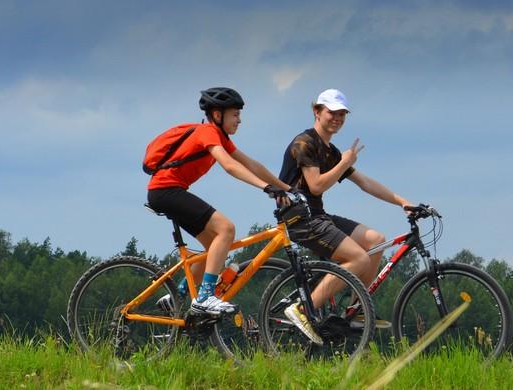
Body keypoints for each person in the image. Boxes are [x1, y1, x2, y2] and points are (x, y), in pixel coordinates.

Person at [278, 88, 413, 341]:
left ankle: (356, 309)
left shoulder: (330, 151)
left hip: (317, 215)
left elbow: (365, 183)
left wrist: (402, 202)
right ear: (317, 111)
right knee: (359, 259)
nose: (338, 118)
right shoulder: (304, 144)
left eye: (342, 114)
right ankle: (303, 310)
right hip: (299, 219)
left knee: (376, 240)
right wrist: (344, 163)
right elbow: (316, 185)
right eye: (332, 112)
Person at [147, 87, 290, 316]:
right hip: (166, 190)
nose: (239, 120)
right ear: (217, 115)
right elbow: (230, 166)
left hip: (167, 191)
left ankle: (177, 296)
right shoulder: (207, 132)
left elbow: (251, 164)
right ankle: (204, 298)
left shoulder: (220, 137)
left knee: (213, 245)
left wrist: (286, 188)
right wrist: (265, 187)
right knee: (226, 229)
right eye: (235, 114)